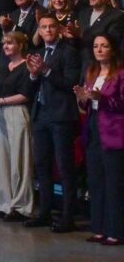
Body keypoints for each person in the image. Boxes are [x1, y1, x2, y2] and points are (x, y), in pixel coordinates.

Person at [24, 15, 81, 232]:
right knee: (42, 165)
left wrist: (46, 71)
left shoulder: (68, 52)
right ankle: (45, 212)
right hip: (41, 115)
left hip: (61, 116)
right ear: (39, 30)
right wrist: (32, 76)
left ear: (58, 29)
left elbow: (70, 84)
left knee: (65, 167)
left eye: (51, 26)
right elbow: (30, 89)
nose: (47, 30)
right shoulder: (38, 53)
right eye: (44, 27)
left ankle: (68, 216)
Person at [0, 31, 36, 222]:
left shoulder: (26, 66)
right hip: (2, 112)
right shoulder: (5, 66)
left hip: (18, 112)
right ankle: (5, 203)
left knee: (19, 161)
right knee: (2, 160)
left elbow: (26, 94)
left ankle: (21, 207)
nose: (6, 47)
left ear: (20, 45)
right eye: (4, 44)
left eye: (10, 43)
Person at [73, 34, 124, 246]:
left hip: (113, 131)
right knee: (95, 182)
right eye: (96, 46)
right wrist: (83, 98)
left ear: (112, 49)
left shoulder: (120, 74)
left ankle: (116, 231)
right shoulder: (91, 72)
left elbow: (120, 103)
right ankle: (99, 228)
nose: (99, 49)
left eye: (104, 46)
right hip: (93, 130)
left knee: (114, 183)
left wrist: (100, 99)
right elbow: (87, 106)